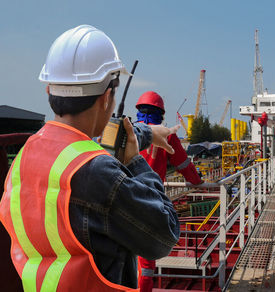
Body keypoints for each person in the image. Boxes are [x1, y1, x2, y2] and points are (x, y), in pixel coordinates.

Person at [0, 25, 180, 291]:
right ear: (107, 98)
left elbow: (100, 140)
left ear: (49, 90)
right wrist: (136, 163)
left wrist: (148, 133)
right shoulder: (97, 172)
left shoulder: (24, 155)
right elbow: (164, 235)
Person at [135, 91, 203, 292]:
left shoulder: (127, 130)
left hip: (123, 195)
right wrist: (197, 181)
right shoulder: (168, 135)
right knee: (146, 263)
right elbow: (184, 165)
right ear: (161, 114)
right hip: (150, 202)